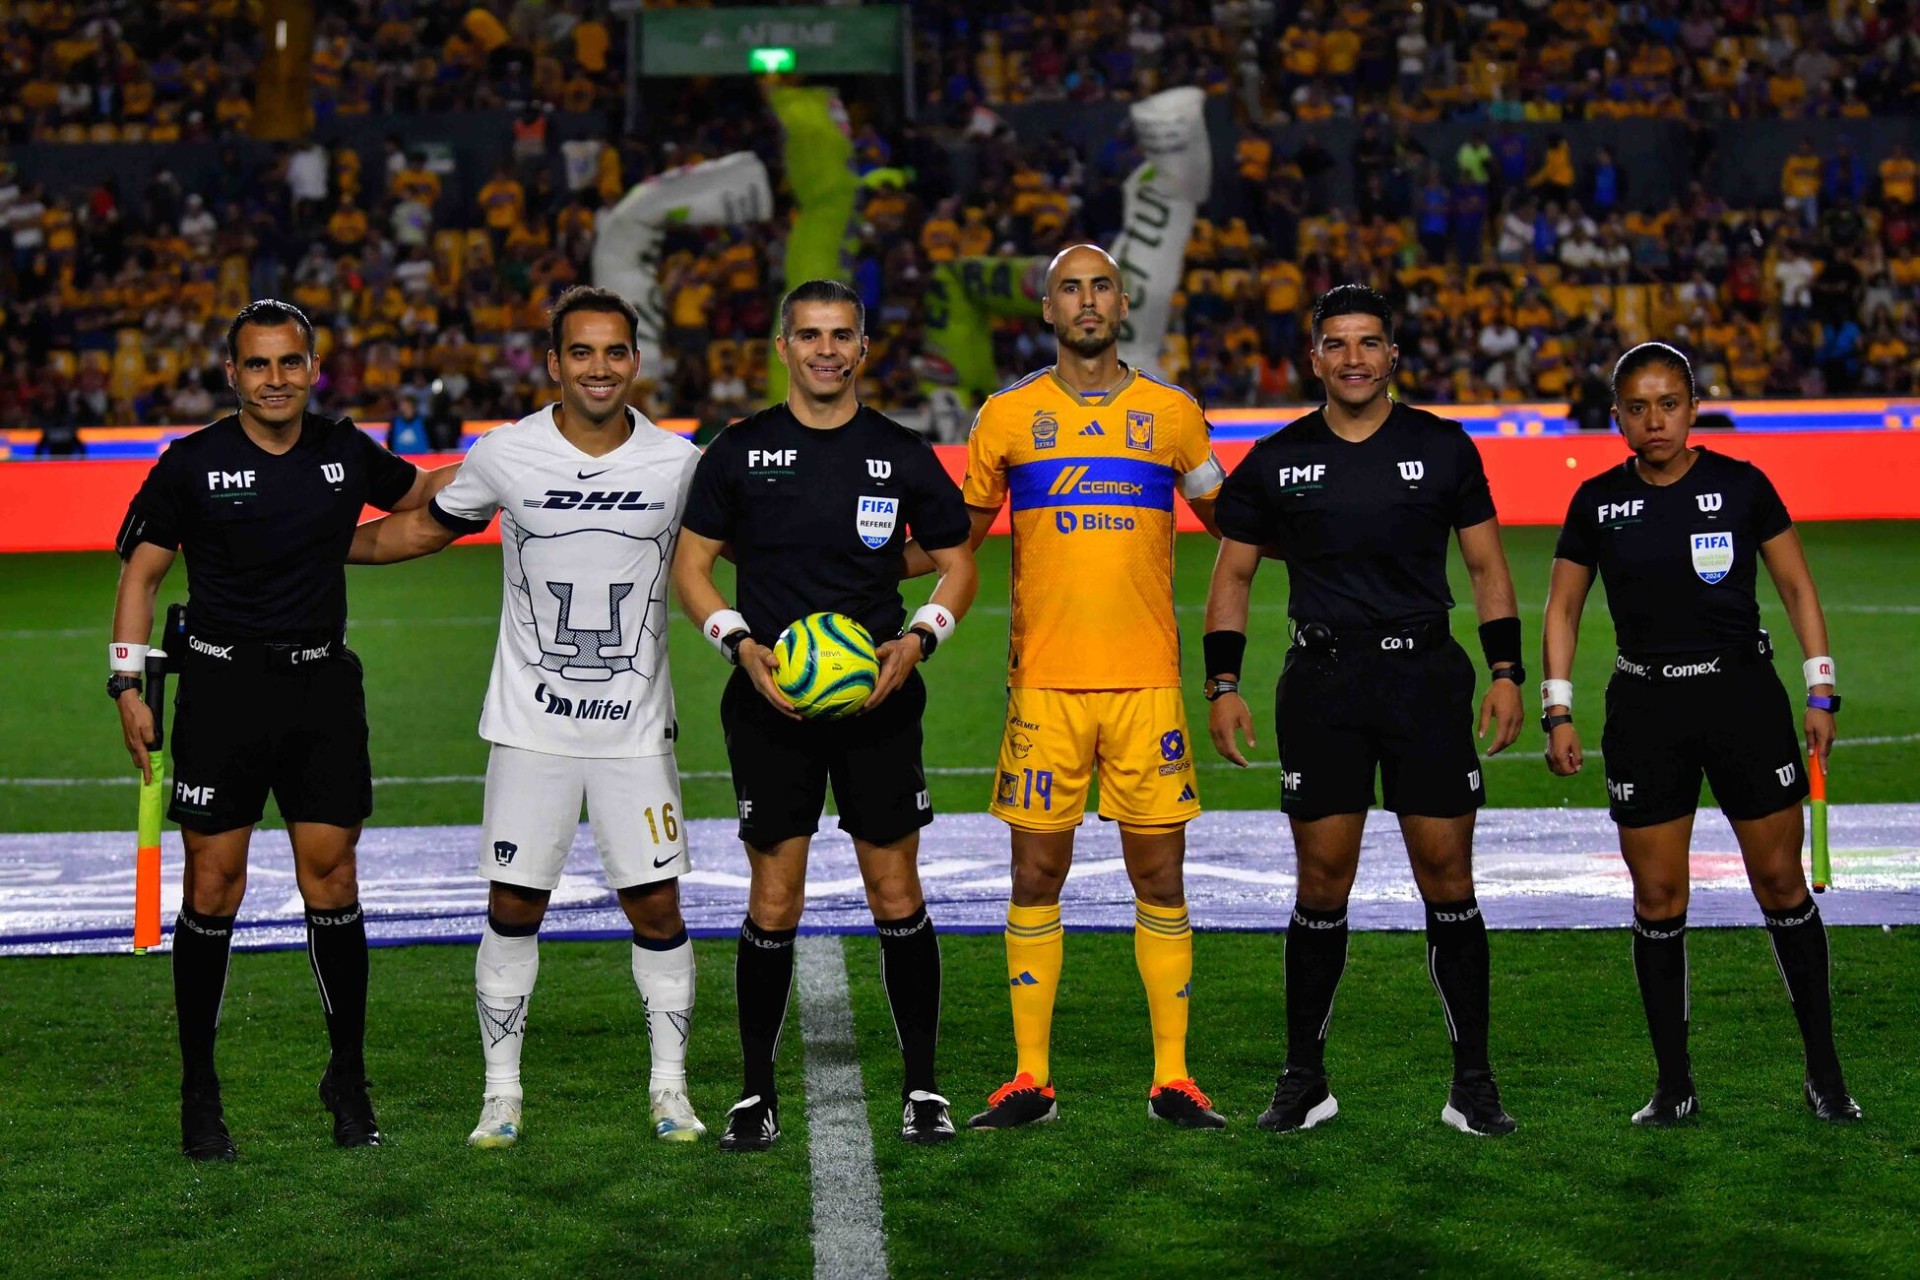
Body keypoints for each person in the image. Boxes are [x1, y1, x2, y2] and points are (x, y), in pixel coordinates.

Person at [347, 286, 709, 1147]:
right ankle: (501, 1095)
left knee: (657, 909)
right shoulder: (506, 453)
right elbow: (422, 530)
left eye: (614, 351)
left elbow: (750, 546)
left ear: (636, 361)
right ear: (554, 363)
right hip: (529, 728)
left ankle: (670, 1089)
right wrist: (299, 547)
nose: (598, 368)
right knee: (513, 905)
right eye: (581, 352)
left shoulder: (680, 464)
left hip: (633, 731)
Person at [110, 299, 448, 1161]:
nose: (274, 379)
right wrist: (127, 684)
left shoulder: (343, 450)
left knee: (332, 879)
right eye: (257, 364)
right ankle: (199, 1091)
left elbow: (418, 496)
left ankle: (348, 1079)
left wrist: (509, 466)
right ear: (232, 374)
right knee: (213, 885)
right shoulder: (191, 463)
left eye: (290, 362)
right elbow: (142, 576)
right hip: (222, 692)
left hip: (321, 691)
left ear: (313, 369)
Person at [1203, 284, 1526, 1137]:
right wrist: (1222, 685)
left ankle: (1473, 1085)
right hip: (1323, 685)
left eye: (1369, 342)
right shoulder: (1277, 459)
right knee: (1320, 882)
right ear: (1314, 359)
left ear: (1393, 356)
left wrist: (1507, 671)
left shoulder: (1442, 447)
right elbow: (1232, 575)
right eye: (1337, 344)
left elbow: (1487, 566)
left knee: (1449, 879)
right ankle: (1304, 1081)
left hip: (1425, 679)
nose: (1354, 358)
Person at [927, 244, 1231, 1131]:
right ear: (1048, 310)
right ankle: (1031, 1079)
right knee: (1035, 872)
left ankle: (1173, 1079)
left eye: (1101, 286)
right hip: (1046, 686)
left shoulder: (1173, 414)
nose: (1088, 301)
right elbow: (958, 540)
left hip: (1146, 684)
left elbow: (1231, 519)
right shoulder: (1007, 416)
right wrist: (852, 564)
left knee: (1160, 875)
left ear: (1123, 304)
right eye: (1071, 288)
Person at [670, 279, 978, 1151]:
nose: (826, 351)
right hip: (771, 700)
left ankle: (923, 1088)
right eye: (810, 335)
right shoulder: (739, 450)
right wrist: (739, 644)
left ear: (864, 348)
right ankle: (755, 1092)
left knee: (896, 889)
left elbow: (958, 563)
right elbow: (691, 567)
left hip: (880, 699)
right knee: (775, 895)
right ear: (783, 347)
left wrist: (917, 640)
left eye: (842, 335)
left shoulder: (900, 453)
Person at [1541, 341, 1859, 1126]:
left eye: (1668, 404)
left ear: (1692, 408)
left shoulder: (1742, 485)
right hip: (1646, 711)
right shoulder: (1597, 502)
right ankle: (1673, 1085)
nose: (1654, 421)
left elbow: (1797, 587)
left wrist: (1821, 688)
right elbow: (1563, 608)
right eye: (1637, 408)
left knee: (1781, 884)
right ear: (1616, 417)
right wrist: (1558, 707)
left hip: (1742, 702)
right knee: (1657, 896)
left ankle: (1825, 1075)